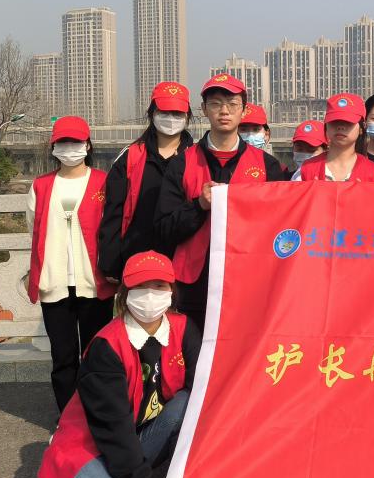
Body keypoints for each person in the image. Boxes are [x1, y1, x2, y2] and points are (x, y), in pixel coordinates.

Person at [37, 251, 207, 478]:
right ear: (125, 294)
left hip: (140, 430)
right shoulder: (106, 346)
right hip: (93, 440)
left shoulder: (184, 328)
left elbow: (201, 394)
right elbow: (114, 429)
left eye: (159, 286)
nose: (150, 295)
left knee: (191, 402)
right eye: (140, 286)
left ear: (171, 291)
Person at [155, 74, 286, 331]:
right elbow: (163, 228)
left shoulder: (267, 166)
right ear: (204, 110)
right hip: (195, 285)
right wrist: (198, 206)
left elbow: (279, 228)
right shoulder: (182, 164)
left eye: (232, 104)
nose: (224, 111)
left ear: (244, 110)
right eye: (215, 103)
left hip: (249, 282)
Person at [27, 115, 116, 412]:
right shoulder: (41, 186)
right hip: (54, 283)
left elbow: (114, 228)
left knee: (95, 355)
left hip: (94, 282)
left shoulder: (103, 182)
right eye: (63, 142)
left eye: (75, 142)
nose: (69, 148)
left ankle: (94, 415)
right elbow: (34, 229)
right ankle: (67, 417)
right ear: (54, 147)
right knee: (63, 357)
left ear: (87, 145)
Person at [98, 82, 194, 282]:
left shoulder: (197, 158)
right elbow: (113, 212)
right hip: (137, 259)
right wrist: (110, 263)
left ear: (187, 117)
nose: (171, 118)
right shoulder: (131, 157)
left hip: (184, 262)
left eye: (177, 113)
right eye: (164, 112)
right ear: (152, 113)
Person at [293, 93, 374, 181]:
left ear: (362, 127)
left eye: (348, 122)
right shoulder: (305, 172)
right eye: (334, 121)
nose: (340, 127)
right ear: (326, 126)